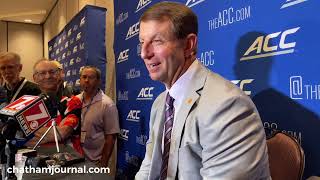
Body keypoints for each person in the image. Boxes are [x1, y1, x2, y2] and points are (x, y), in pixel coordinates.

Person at [135, 2, 270, 180]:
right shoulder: (160, 103)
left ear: (188, 45)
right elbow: (149, 167)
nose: (144, 53)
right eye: (142, 42)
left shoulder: (227, 106)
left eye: (157, 41)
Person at [26, 59, 83, 154]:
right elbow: (20, 137)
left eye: (52, 72)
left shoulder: (72, 102)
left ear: (60, 74)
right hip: (38, 159)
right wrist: (53, 132)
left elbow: (61, 133)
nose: (48, 76)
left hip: (68, 160)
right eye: (42, 73)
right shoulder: (29, 104)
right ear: (35, 78)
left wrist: (31, 131)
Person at [77, 66, 120, 167]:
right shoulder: (75, 101)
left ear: (98, 81)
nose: (87, 80)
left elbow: (111, 137)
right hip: (75, 160)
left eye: (91, 77)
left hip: (94, 163)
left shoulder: (107, 104)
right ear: (80, 80)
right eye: (84, 77)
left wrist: (103, 163)